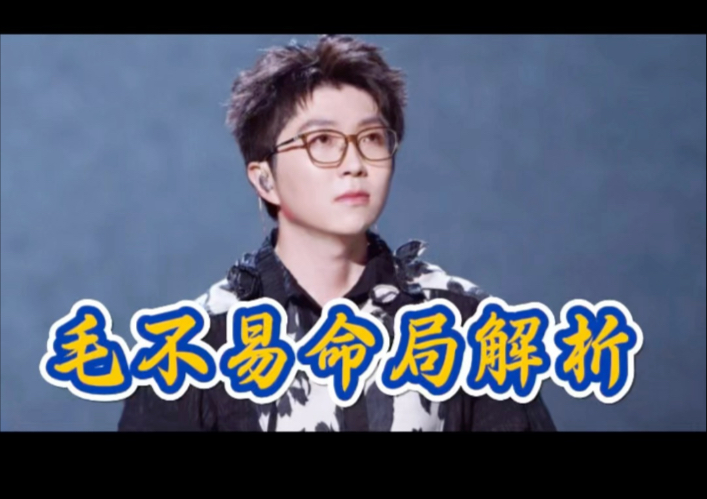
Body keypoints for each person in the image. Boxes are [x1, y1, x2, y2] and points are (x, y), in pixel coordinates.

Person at [117, 34, 556, 431]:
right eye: (322, 141)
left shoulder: (464, 322)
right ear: (264, 179)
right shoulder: (195, 344)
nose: (354, 164)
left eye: (372, 138)